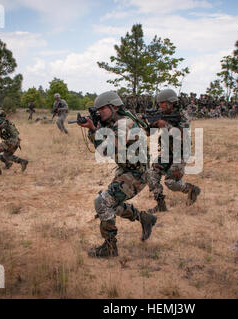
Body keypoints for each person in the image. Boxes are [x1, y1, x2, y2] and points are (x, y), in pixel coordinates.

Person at [77, 91, 157, 258]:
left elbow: (106, 150)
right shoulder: (116, 122)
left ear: (113, 107)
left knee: (102, 202)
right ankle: (144, 218)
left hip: (137, 173)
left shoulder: (124, 124)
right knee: (111, 204)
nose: (99, 113)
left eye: (102, 109)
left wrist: (93, 129)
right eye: (97, 110)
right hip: (128, 171)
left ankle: (110, 248)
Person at [146, 89, 201, 214]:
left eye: (162, 103)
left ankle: (191, 189)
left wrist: (165, 125)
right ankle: (160, 205)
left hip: (180, 153)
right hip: (167, 152)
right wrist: (150, 124)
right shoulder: (160, 114)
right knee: (151, 175)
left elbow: (181, 135)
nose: (160, 106)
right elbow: (148, 133)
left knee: (170, 182)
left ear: (171, 103)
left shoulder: (183, 116)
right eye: (159, 103)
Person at [0, 107, 28, 175]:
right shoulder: (4, 120)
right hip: (16, 141)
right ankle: (23, 161)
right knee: (7, 156)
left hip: (10, 141)